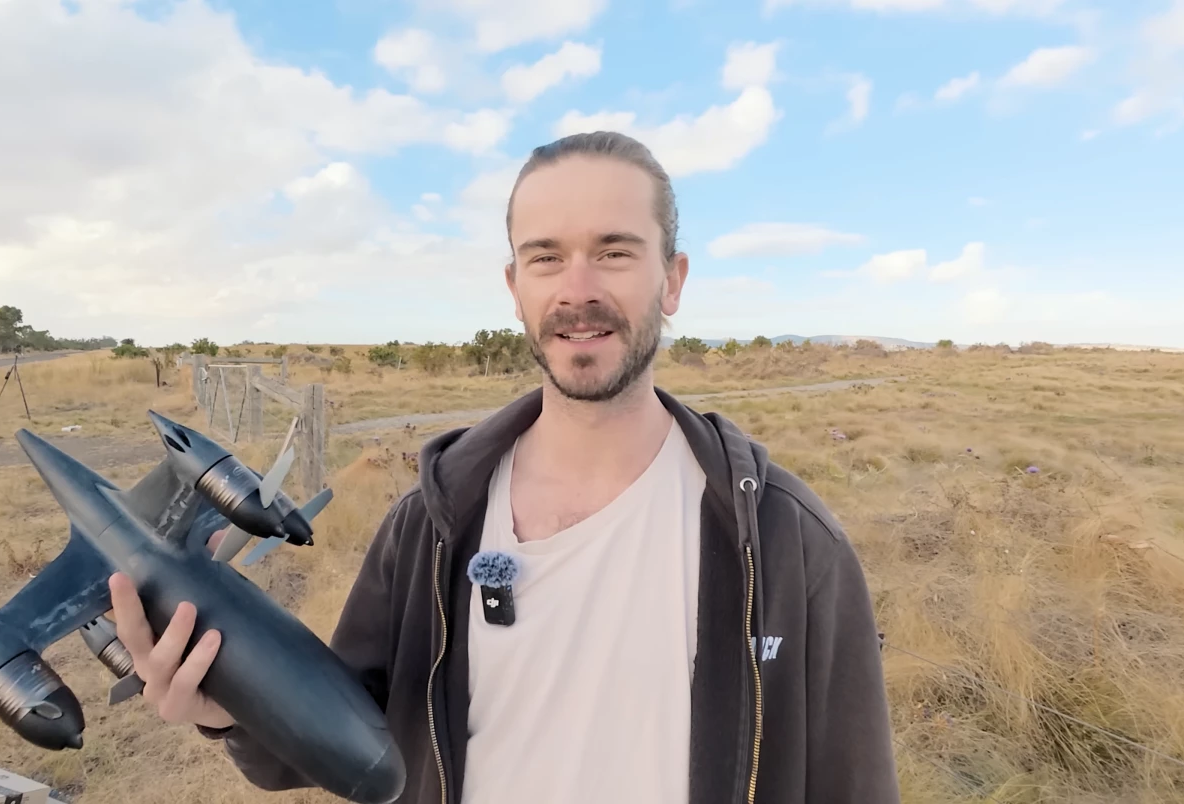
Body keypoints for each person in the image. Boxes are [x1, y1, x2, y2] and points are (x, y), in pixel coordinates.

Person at [107, 131, 901, 804]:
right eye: (546, 257)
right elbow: (341, 732)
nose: (578, 291)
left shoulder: (785, 545)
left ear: (673, 280)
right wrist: (226, 704)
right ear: (515, 287)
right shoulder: (430, 524)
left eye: (614, 252)